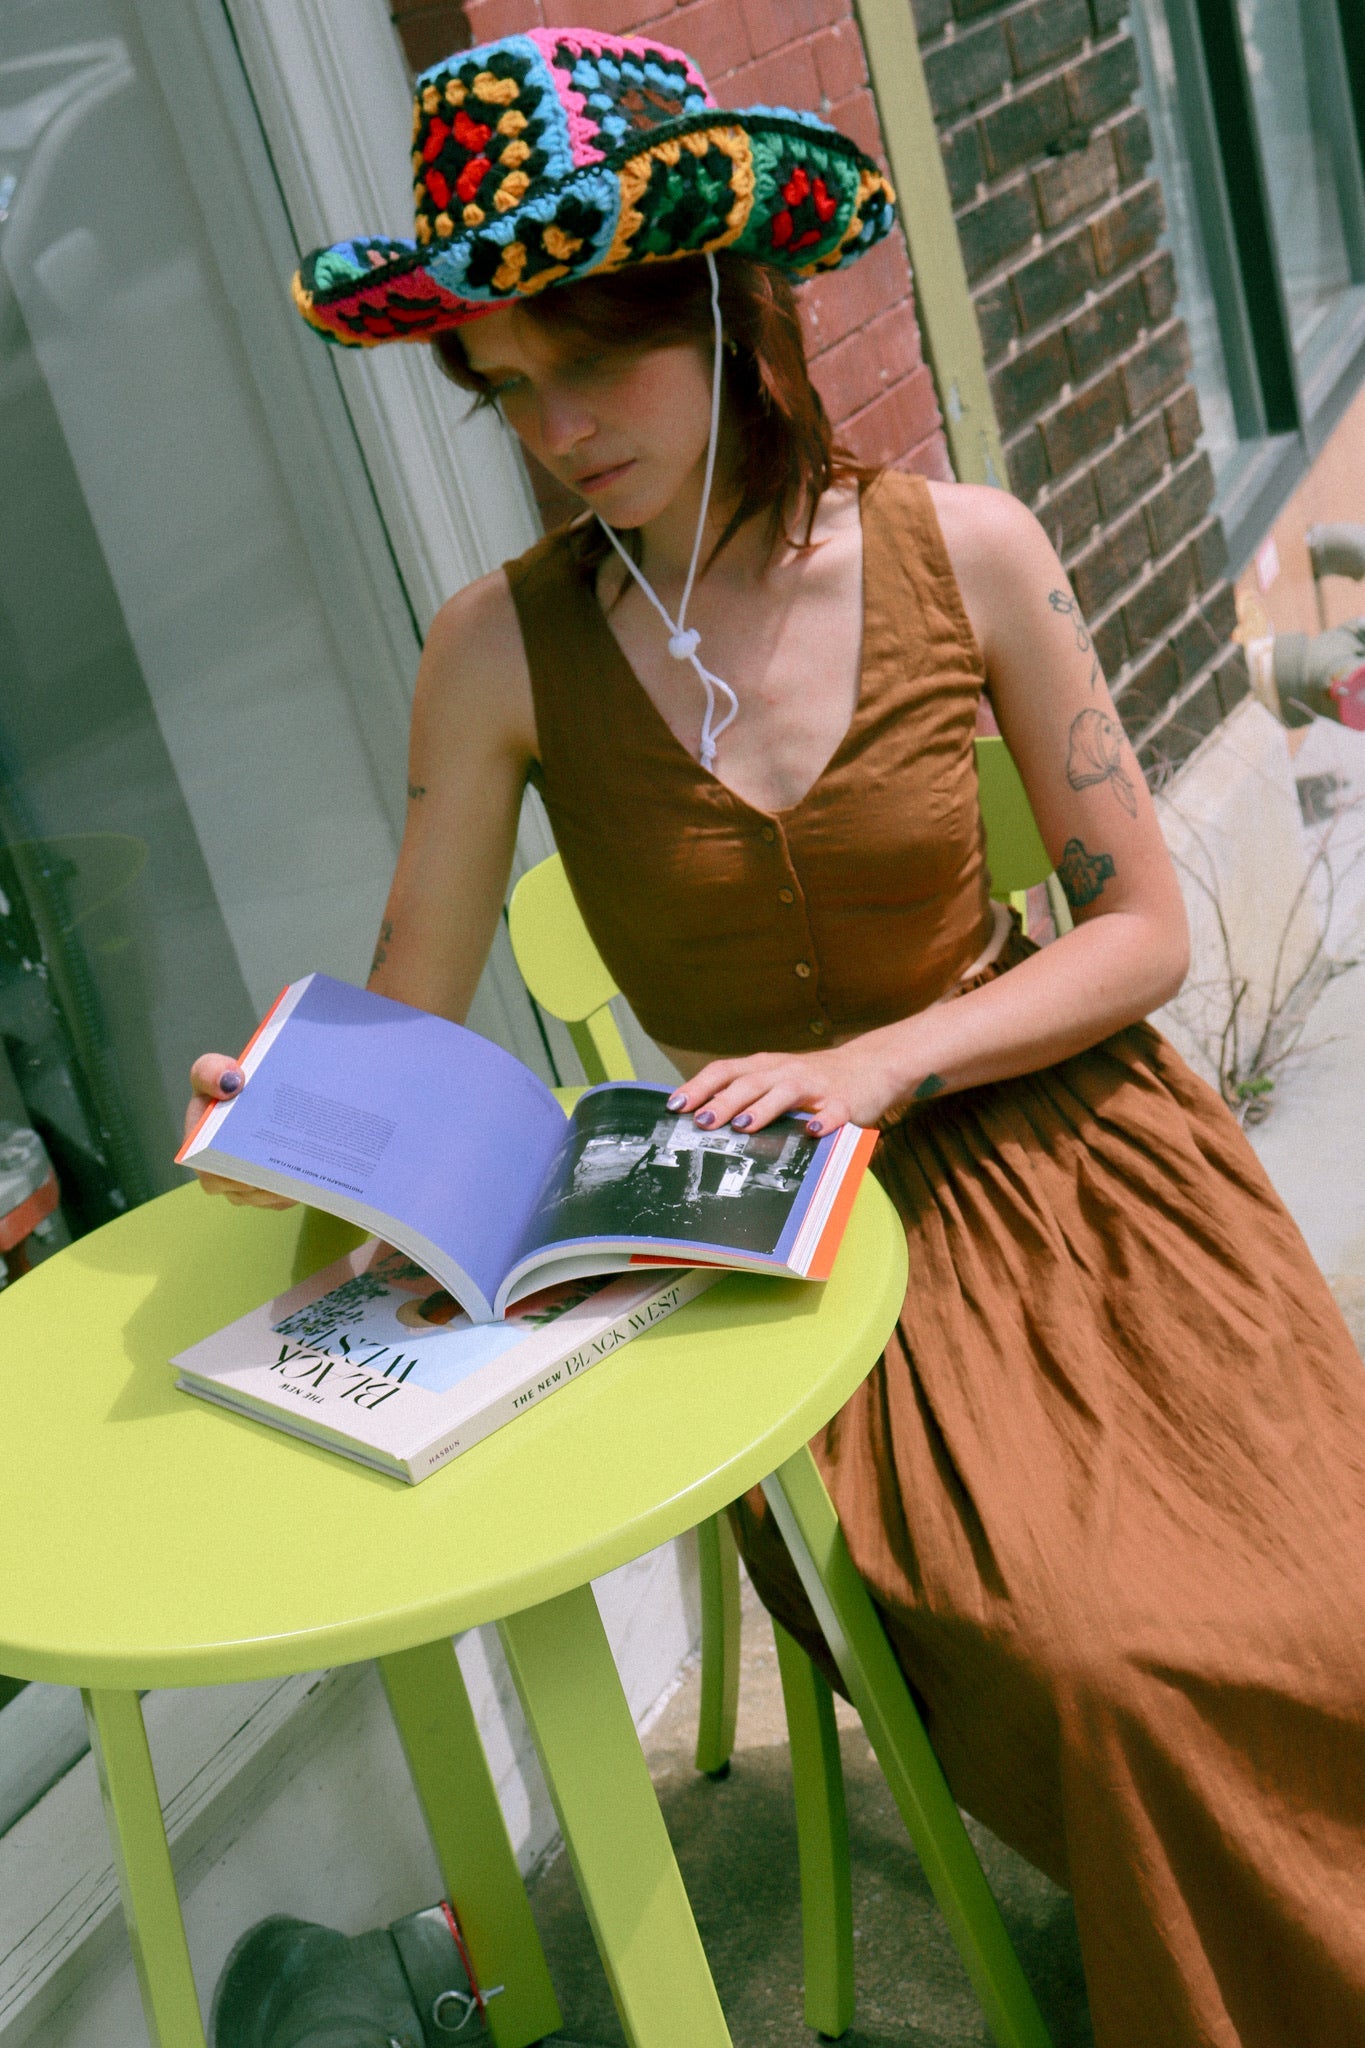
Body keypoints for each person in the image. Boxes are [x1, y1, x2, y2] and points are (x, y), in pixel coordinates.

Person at [188, 28, 1365, 2046]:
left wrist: (884, 1060)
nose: (553, 426)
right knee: (1107, 1664)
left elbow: (1144, 932)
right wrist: (309, 1104)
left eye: (594, 358)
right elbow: (411, 989)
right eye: (503, 381)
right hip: (796, 1255)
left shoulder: (963, 549)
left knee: (1322, 1595)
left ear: (725, 309)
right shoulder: (493, 652)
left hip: (1083, 1166)